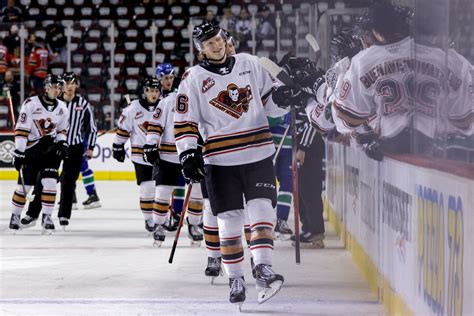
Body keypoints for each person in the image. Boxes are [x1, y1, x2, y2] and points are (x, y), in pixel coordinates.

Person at [175, 22, 287, 306]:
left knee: (263, 209)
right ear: (200, 50)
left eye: (218, 39)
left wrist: (285, 97)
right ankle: (235, 277)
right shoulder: (193, 78)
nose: (216, 45)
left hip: (258, 153)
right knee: (230, 220)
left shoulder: (249, 63)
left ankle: (263, 266)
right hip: (220, 160)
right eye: (209, 43)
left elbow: (271, 105)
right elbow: (185, 121)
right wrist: (188, 153)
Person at [21, 72, 97, 229]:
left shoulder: (83, 104)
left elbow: (92, 128)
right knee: (43, 180)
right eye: (66, 83)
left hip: (74, 148)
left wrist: (90, 147)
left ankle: (63, 215)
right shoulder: (55, 103)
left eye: (72, 83)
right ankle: (32, 214)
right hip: (53, 146)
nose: (69, 86)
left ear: (76, 85)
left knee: (68, 183)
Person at [143, 74, 203, 247]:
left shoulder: (201, 101)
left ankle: (194, 225)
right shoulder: (167, 102)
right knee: (162, 192)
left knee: (196, 192)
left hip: (190, 156)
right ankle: (159, 226)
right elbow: (155, 125)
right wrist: (151, 145)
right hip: (168, 157)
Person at [9, 74, 69, 233]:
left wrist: (63, 143)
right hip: (32, 149)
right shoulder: (31, 104)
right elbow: (21, 129)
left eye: (59, 87)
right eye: (55, 87)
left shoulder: (63, 107)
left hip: (50, 149)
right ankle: (15, 215)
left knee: (50, 183)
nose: (58, 90)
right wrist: (20, 152)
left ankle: (47, 217)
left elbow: (62, 130)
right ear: (47, 87)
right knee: (25, 186)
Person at [112, 77, 160, 233]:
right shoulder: (133, 108)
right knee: (147, 188)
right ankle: (149, 219)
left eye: (156, 91)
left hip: (162, 155)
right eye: (151, 91)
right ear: (145, 92)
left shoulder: (165, 106)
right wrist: (118, 146)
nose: (154, 94)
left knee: (163, 189)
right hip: (140, 156)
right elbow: (124, 129)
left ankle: (162, 216)